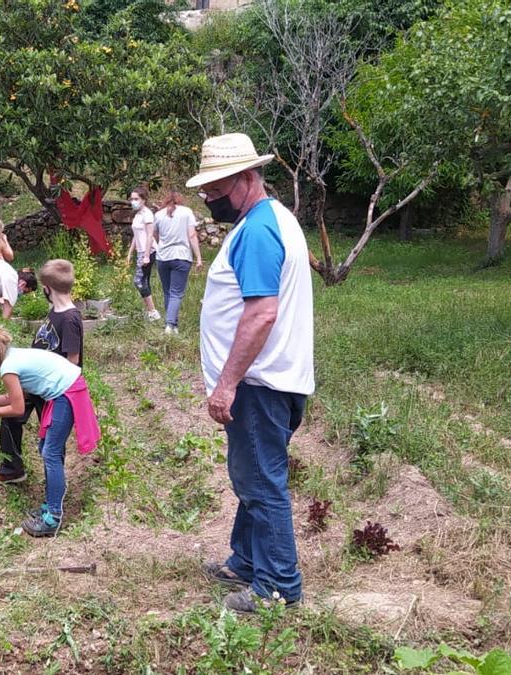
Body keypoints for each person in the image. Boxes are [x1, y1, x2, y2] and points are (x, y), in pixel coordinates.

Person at [187, 133, 315, 613]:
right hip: (270, 380)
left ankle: (278, 587)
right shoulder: (269, 220)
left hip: (259, 385)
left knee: (261, 482)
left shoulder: (260, 230)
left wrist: (227, 382)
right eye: (206, 191)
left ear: (246, 178)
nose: (209, 199)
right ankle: (245, 560)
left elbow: (261, 313)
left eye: (216, 190)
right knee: (252, 476)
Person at [0, 326, 100, 537]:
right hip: (65, 389)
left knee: (50, 452)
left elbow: (17, 409)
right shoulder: (10, 355)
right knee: (46, 448)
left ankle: (53, 517)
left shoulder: (8, 369)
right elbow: (15, 398)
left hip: (66, 392)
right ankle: (50, 504)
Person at [0, 259, 85, 486]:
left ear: (47, 288)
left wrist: (52, 390)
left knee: (51, 436)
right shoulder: (55, 312)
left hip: (51, 389)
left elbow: (73, 361)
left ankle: (54, 475)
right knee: (11, 418)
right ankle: (12, 469)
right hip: (34, 383)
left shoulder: (70, 318)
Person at [153, 189, 203, 335]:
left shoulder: (158, 215)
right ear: (180, 200)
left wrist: (162, 244)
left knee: (167, 291)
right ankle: (170, 325)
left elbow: (155, 235)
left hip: (163, 257)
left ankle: (173, 325)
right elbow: (192, 235)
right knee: (176, 293)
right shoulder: (187, 212)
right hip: (181, 256)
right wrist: (198, 257)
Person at [124, 186, 161, 321]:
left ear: (144, 200)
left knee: (138, 281)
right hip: (140, 251)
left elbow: (150, 235)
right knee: (144, 280)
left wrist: (146, 255)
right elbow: (136, 235)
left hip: (148, 251)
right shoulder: (138, 214)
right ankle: (150, 312)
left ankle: (153, 312)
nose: (133, 201)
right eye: (132, 199)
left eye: (136, 199)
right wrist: (129, 253)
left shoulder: (147, 214)